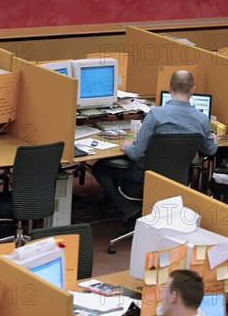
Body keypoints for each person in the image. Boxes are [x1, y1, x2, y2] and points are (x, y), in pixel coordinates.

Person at [92, 70, 218, 222]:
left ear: (169, 88)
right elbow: (209, 150)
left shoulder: (155, 115)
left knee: (99, 167)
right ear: (193, 90)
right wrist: (215, 139)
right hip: (181, 180)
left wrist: (126, 146)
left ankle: (130, 209)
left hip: (145, 177)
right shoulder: (202, 120)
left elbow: (136, 153)